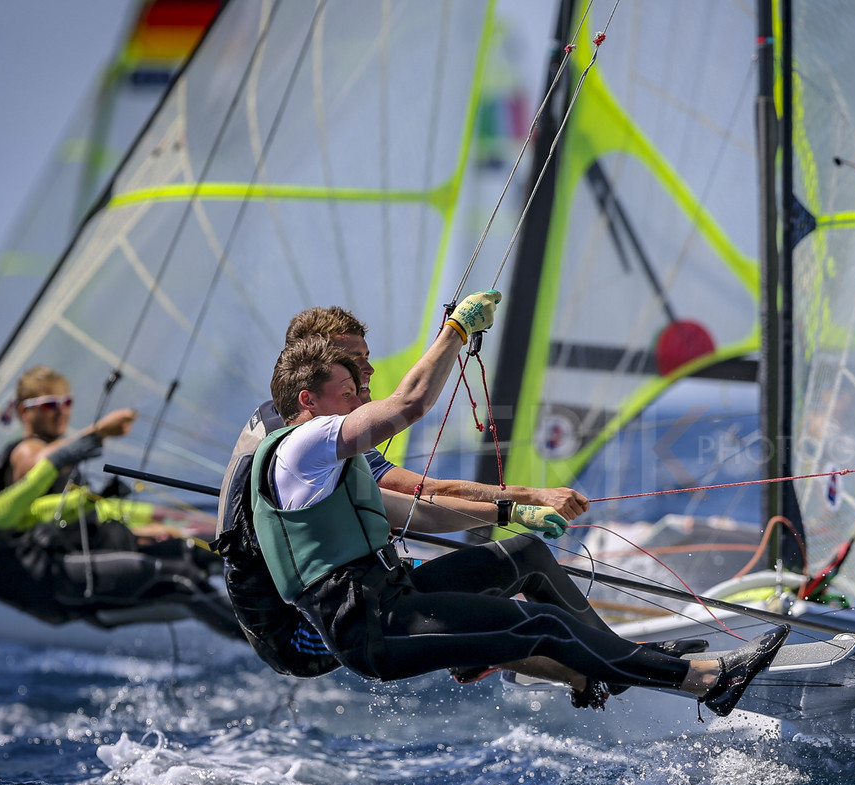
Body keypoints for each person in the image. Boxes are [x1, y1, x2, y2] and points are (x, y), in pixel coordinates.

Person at [237, 292, 788, 715]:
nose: (364, 390)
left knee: (523, 556)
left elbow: (412, 511)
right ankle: (709, 680)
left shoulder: (336, 461)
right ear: (307, 400)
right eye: (350, 384)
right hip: (362, 624)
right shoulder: (302, 446)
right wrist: (454, 331)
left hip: (389, 594)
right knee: (540, 625)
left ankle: (612, 662)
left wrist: (511, 514)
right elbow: (409, 405)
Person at [0, 391, 240, 637]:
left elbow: (19, 516)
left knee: (188, 555)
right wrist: (55, 461)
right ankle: (284, 649)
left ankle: (283, 626)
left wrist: (80, 504)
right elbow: (0, 512)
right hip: (45, 582)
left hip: (47, 567)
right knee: (180, 580)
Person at [217, 306, 588, 531]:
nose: (367, 369)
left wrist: (519, 505)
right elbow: (423, 492)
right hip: (298, 616)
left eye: (364, 356)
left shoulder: (280, 415)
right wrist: (530, 498)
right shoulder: (312, 434)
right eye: (350, 360)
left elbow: (413, 500)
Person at [0, 365, 214, 561]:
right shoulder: (25, 450)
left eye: (67, 402)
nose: (62, 411)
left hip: (104, 541)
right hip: (80, 558)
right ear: (24, 411)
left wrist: (148, 532)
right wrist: (100, 432)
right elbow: (43, 461)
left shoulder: (50, 446)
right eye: (50, 405)